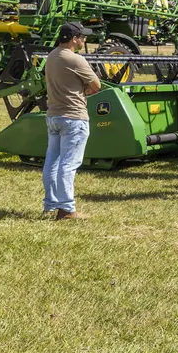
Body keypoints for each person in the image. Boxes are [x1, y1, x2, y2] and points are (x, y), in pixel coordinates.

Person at [43, 22, 100, 220]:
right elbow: (96, 85)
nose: (84, 40)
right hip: (73, 117)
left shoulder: (51, 56)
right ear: (74, 39)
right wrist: (83, 91)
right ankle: (67, 209)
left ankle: (51, 203)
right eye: (82, 37)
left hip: (53, 115)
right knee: (68, 164)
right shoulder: (76, 60)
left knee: (52, 161)